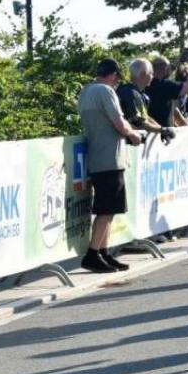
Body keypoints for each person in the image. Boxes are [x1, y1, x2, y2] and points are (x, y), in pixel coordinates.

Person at [76, 59, 144, 273]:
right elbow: (119, 121)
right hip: (111, 158)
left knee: (109, 209)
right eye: (117, 79)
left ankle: (103, 252)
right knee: (106, 210)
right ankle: (93, 254)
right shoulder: (106, 91)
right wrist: (134, 135)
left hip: (96, 156)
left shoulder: (85, 92)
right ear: (113, 75)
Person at [117, 59, 176, 141]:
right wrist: (161, 130)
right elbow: (136, 121)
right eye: (151, 73)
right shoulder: (129, 93)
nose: (153, 76)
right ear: (143, 74)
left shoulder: (138, 93)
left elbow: (145, 117)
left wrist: (162, 129)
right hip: (127, 143)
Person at [146, 55, 184, 125]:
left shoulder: (145, 83)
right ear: (165, 69)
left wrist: (174, 64)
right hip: (163, 131)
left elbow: (167, 73)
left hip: (149, 127)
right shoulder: (165, 85)